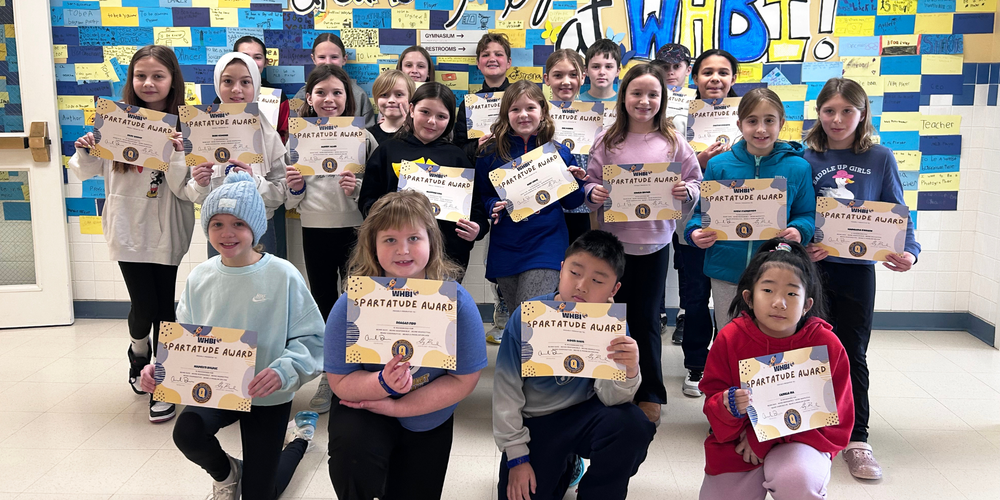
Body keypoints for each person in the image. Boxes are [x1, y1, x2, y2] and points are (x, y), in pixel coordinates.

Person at [140, 171, 325, 500]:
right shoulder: (200, 277)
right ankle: (229, 472)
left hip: (267, 393)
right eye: (217, 224)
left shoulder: (283, 275)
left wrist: (285, 370)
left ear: (255, 227)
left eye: (238, 224)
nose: (227, 234)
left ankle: (297, 441)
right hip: (217, 391)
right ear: (207, 228)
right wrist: (161, 371)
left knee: (260, 494)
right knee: (187, 431)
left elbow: (313, 341)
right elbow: (182, 342)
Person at [323, 190, 488, 500]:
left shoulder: (456, 304)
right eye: (389, 240)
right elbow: (340, 380)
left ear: (432, 243)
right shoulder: (351, 304)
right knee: (352, 462)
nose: (403, 250)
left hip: (428, 411)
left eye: (414, 238)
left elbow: (464, 380)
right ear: (372, 246)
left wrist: (399, 405)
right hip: (365, 405)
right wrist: (381, 383)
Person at [803, 77, 920, 480]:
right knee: (809, 348)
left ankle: (858, 439)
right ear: (819, 113)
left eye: (847, 111)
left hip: (857, 270)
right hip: (811, 270)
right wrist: (803, 246)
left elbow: (899, 210)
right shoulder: (805, 156)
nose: (838, 119)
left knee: (852, 350)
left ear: (862, 113)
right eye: (830, 111)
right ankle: (808, 425)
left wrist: (911, 251)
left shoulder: (880, 156)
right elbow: (793, 214)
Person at [69, 45, 192, 423]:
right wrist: (87, 148)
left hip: (167, 227)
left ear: (172, 80)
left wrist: (176, 153)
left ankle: (164, 382)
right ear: (131, 80)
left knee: (165, 308)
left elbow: (186, 187)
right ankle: (139, 352)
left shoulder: (186, 127)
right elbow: (84, 170)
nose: (149, 83)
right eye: (141, 76)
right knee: (144, 307)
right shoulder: (116, 122)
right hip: (126, 227)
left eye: (158, 76)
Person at [493, 230, 656, 500]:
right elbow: (506, 392)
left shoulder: (613, 326)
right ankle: (567, 465)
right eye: (574, 272)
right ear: (561, 270)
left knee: (633, 424)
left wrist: (630, 372)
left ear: (614, 289)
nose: (581, 286)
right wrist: (517, 458)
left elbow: (613, 399)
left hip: (585, 416)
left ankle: (595, 490)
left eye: (597, 280)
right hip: (537, 423)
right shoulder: (527, 316)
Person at [584, 64, 702, 424]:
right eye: (637, 93)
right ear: (624, 97)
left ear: (663, 99)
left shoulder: (673, 141)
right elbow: (588, 184)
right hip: (613, 247)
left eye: (653, 94)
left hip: (653, 244)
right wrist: (595, 191)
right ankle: (606, 387)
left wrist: (688, 191)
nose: (644, 100)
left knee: (647, 320)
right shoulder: (608, 140)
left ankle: (650, 392)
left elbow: (696, 182)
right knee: (608, 319)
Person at [698, 239, 853, 500]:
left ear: (807, 305)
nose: (779, 302)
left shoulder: (825, 344)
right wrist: (728, 406)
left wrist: (766, 438)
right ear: (748, 297)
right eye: (768, 290)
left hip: (805, 441)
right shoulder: (730, 338)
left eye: (792, 294)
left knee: (796, 479)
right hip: (738, 441)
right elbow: (713, 401)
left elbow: (837, 417)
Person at [284, 64, 380, 414]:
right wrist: (294, 189)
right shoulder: (297, 138)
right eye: (321, 92)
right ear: (308, 97)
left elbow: (374, 196)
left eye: (337, 92)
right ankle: (330, 371)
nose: (329, 99)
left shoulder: (363, 137)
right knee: (325, 298)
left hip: (354, 228)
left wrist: (356, 191)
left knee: (357, 298)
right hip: (315, 228)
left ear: (348, 98)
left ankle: (358, 369)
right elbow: (288, 198)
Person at [685, 88, 816, 331]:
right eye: (752, 121)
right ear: (739, 124)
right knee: (729, 333)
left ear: (782, 123)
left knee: (772, 335)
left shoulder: (798, 167)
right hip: (726, 269)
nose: (761, 129)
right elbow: (699, 214)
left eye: (769, 120)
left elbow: (806, 214)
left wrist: (799, 231)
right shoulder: (718, 165)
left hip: (777, 271)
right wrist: (694, 234)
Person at [475, 79, 588, 344]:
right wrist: (493, 206)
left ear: (542, 111)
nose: (523, 115)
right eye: (515, 109)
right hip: (507, 244)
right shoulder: (490, 152)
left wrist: (575, 181)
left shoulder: (559, 152)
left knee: (531, 315)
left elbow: (572, 203)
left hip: (545, 242)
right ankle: (524, 375)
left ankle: (537, 380)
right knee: (518, 319)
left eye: (530, 108)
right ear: (506, 114)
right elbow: (483, 195)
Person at [358, 82, 489, 281]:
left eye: (441, 116)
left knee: (439, 310)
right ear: (411, 109)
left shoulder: (457, 157)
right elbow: (367, 200)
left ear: (450, 120)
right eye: (425, 112)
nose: (432, 121)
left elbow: (476, 206)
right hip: (398, 253)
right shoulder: (387, 151)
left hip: (448, 255)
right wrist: (382, 222)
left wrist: (477, 229)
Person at [185, 52, 298, 258]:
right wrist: (201, 183)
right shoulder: (200, 129)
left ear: (255, 85)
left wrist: (254, 182)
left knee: (261, 289)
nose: (236, 89)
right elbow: (193, 194)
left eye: (245, 82)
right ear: (217, 84)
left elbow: (281, 193)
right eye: (227, 81)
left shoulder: (268, 134)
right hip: (218, 228)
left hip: (259, 228)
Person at [652, 45, 716, 398]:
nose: (670, 71)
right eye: (665, 66)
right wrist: (696, 159)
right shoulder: (666, 112)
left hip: (727, 216)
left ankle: (721, 363)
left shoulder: (738, 113)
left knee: (723, 297)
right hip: (680, 213)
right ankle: (695, 362)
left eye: (677, 66)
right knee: (691, 288)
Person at [232, 36, 290, 260]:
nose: (252, 62)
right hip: (228, 195)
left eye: (257, 57)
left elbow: (284, 136)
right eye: (245, 57)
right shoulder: (219, 103)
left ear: (265, 62)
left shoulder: (276, 97)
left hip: (266, 182)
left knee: (269, 253)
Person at [544, 49, 592, 248]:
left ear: (583, 76)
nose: (566, 81)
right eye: (558, 75)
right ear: (546, 79)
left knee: (577, 265)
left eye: (573, 74)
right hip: (546, 207)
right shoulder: (535, 116)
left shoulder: (593, 117)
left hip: (580, 207)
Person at [293, 33, 376, 128]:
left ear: (344, 59)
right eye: (322, 57)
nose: (328, 62)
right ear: (313, 59)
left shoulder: (360, 95)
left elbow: (368, 134)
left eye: (334, 57)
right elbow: (292, 130)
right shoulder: (300, 96)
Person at [454, 33, 513, 157]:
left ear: (508, 62)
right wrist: (476, 146)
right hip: (480, 169)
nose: (492, 59)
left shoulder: (521, 99)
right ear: (478, 63)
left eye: (498, 54)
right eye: (486, 55)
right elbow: (458, 149)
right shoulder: (468, 104)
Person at [691, 49, 740, 169]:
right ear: (695, 79)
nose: (715, 78)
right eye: (707, 73)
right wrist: (697, 163)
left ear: (733, 79)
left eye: (723, 73)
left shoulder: (748, 116)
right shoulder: (680, 118)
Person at [367, 69, 415, 144]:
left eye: (399, 95)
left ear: (410, 98)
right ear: (376, 99)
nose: (391, 100)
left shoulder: (418, 135)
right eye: (384, 95)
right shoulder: (368, 136)